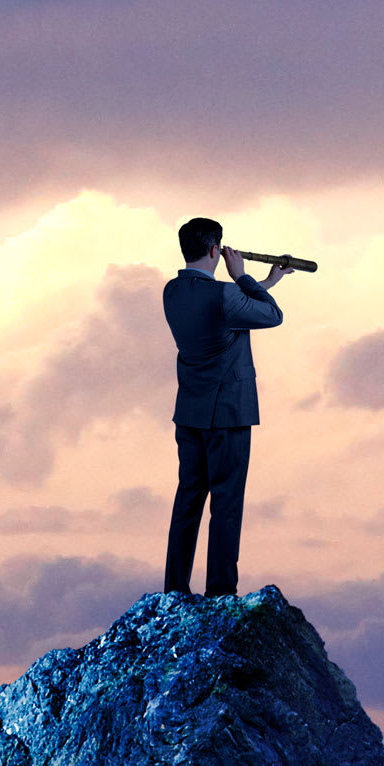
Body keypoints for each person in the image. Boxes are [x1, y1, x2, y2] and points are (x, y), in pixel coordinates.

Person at [161, 216, 285, 595]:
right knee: (227, 504)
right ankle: (220, 592)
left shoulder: (172, 291)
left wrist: (266, 282)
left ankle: (175, 589)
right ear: (216, 250)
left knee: (189, 500)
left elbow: (226, 310)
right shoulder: (226, 294)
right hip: (228, 413)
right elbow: (272, 316)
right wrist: (244, 277)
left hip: (190, 413)